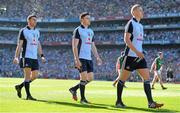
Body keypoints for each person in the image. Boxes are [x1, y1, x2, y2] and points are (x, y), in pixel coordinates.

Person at [115, 4, 164, 108]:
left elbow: (137, 42)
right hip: (130, 57)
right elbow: (126, 40)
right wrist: (137, 52)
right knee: (122, 79)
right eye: (140, 10)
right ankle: (118, 101)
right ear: (134, 12)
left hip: (140, 57)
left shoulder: (141, 26)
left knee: (147, 78)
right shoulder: (130, 23)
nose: (142, 12)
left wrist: (141, 52)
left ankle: (150, 103)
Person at [69, 12, 102, 104]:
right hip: (81, 57)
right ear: (82, 20)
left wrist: (97, 57)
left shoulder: (91, 31)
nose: (89, 20)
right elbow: (74, 46)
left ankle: (73, 89)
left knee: (90, 78)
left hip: (89, 58)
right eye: (87, 18)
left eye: (89, 18)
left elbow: (93, 46)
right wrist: (76, 59)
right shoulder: (78, 30)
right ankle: (83, 99)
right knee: (83, 78)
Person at [13, 14, 46, 100]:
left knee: (35, 76)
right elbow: (19, 45)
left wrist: (42, 55)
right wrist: (16, 57)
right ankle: (28, 96)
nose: (35, 21)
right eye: (33, 20)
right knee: (27, 76)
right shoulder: (23, 31)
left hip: (34, 57)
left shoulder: (37, 31)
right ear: (29, 21)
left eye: (36, 20)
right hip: (26, 56)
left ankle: (20, 86)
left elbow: (38, 44)